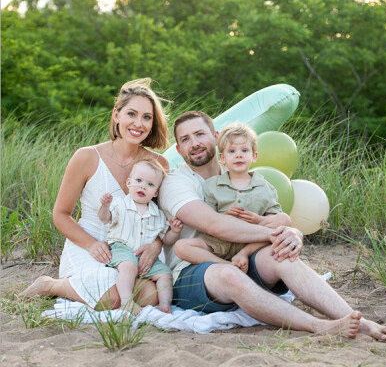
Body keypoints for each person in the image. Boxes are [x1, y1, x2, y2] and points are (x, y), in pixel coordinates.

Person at [159, 110, 386, 340]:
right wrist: (276, 233)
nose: (194, 143)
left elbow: (271, 213)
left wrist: (291, 233)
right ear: (179, 149)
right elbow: (215, 224)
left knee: (280, 254)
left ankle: (359, 322)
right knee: (230, 273)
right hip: (193, 270)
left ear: (216, 136)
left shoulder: (238, 169)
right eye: (185, 139)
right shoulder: (175, 183)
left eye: (200, 134)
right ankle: (319, 326)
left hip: (242, 255)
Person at [21, 78, 171, 311]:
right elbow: (61, 214)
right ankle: (50, 285)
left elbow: (161, 218)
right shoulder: (87, 157)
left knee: (152, 295)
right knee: (112, 299)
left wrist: (155, 245)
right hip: (91, 242)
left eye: (146, 117)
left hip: (134, 247)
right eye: (131, 114)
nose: (138, 123)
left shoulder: (159, 164)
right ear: (116, 115)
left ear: (152, 124)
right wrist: (91, 245)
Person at [174, 122, 289, 273]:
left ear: (254, 156)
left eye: (244, 150)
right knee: (181, 247)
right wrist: (224, 216)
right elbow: (209, 221)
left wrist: (258, 220)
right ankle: (227, 265)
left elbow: (274, 221)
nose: (239, 155)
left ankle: (244, 255)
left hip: (253, 241)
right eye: (232, 151)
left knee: (284, 219)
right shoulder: (212, 186)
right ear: (222, 158)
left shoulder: (265, 187)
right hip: (220, 242)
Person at [98, 159, 183, 314]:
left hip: (146, 256)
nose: (143, 186)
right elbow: (104, 219)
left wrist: (175, 232)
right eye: (138, 180)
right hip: (121, 247)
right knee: (128, 266)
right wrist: (105, 206)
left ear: (156, 192)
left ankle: (165, 305)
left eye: (150, 184)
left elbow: (166, 240)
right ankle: (126, 302)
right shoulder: (119, 203)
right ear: (129, 182)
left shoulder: (157, 214)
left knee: (165, 274)